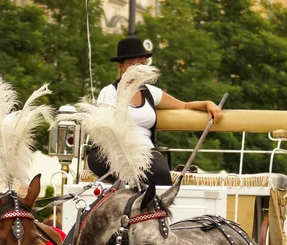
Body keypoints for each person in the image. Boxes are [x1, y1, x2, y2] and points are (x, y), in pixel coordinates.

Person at [87, 36, 223, 185]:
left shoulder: (151, 92)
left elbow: (183, 105)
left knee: (159, 172)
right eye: (133, 65)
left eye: (142, 64)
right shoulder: (110, 92)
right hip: (114, 152)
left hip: (145, 153)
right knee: (150, 172)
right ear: (120, 67)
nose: (139, 70)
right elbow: (107, 131)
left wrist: (207, 104)